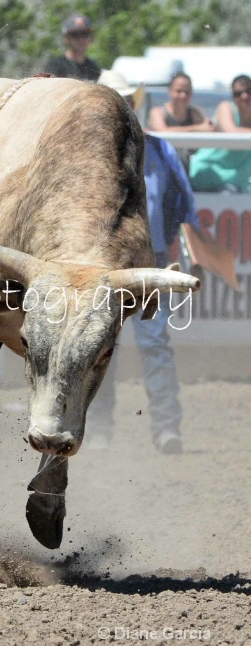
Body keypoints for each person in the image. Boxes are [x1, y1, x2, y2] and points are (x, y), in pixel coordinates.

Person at [87, 70, 199, 454]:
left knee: (152, 346)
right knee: (104, 348)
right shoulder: (92, 155)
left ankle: (165, 429)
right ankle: (101, 429)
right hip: (108, 267)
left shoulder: (160, 150)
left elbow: (183, 207)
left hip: (150, 265)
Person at [188, 74, 251, 193]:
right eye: (238, 93)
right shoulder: (226, 107)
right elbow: (231, 132)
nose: (244, 96)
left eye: (249, 91)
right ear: (232, 96)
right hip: (207, 173)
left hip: (236, 181)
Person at [147, 72, 214, 133]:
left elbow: (207, 128)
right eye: (178, 91)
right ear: (170, 91)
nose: (183, 96)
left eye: (187, 92)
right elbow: (163, 131)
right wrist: (196, 128)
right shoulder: (158, 112)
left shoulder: (195, 113)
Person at [43, 14, 102, 82]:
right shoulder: (55, 66)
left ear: (90, 37)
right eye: (75, 35)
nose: (81, 39)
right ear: (66, 38)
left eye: (85, 34)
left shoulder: (93, 67)